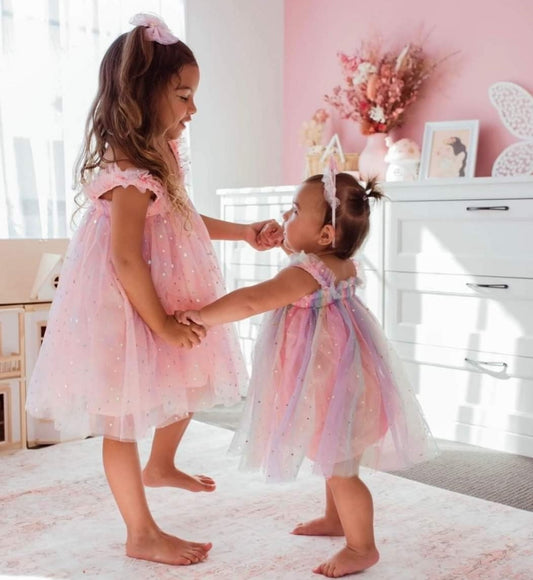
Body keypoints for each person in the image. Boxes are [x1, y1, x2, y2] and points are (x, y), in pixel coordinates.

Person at [26, 14, 281, 567]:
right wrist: (160, 321)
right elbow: (122, 255)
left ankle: (161, 465)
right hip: (125, 299)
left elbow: (182, 218)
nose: (193, 109)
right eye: (184, 95)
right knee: (123, 420)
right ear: (145, 93)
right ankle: (140, 532)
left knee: (186, 376)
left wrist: (244, 232)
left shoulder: (161, 154)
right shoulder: (128, 167)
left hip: (162, 287)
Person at [176, 169, 437, 577]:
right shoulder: (336, 264)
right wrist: (287, 243)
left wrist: (203, 316)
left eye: (296, 211)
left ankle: (361, 546)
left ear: (326, 236)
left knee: (342, 469)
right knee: (334, 453)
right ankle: (336, 520)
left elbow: (251, 301)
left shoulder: (304, 274)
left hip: (329, 379)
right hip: (342, 375)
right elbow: (304, 270)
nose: (285, 215)